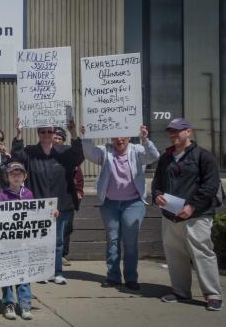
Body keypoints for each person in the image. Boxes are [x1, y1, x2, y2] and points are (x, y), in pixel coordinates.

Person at [152, 118, 223, 311]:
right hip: (170, 215)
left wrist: (192, 206)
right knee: (175, 255)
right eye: (171, 132)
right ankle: (181, 292)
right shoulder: (166, 157)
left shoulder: (204, 156)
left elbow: (210, 185)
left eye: (177, 131)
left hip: (197, 215)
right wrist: (157, 195)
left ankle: (212, 294)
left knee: (202, 253)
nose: (173, 134)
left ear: (189, 132)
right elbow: (157, 182)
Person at [82, 125, 159, 290]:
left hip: (133, 203)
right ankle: (113, 276)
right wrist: (86, 136)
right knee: (113, 240)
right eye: (116, 136)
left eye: (123, 136)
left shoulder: (138, 150)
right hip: (110, 204)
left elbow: (153, 156)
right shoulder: (105, 151)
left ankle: (131, 277)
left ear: (130, 137)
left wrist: (145, 139)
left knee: (130, 242)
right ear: (111, 138)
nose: (120, 139)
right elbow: (89, 153)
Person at [10, 120, 84, 285]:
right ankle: (40, 272)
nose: (46, 135)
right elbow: (15, 158)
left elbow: (79, 156)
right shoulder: (30, 152)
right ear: (38, 133)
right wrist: (19, 134)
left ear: (54, 134)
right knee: (38, 241)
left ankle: (57, 272)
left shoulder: (64, 152)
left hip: (61, 205)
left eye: (49, 132)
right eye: (42, 132)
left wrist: (73, 133)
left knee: (57, 241)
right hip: (37, 206)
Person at [0, 162, 34, 320]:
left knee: (24, 274)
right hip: (6, 244)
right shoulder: (1, 194)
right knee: (7, 274)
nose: (16, 176)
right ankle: (8, 303)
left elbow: (36, 215)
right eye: (12, 173)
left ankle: (25, 304)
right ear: (7, 177)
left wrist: (51, 213)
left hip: (24, 243)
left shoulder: (29, 194)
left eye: (19, 173)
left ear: (25, 176)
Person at [53, 126, 85, 266]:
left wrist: (79, 192)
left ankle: (62, 255)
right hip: (50, 199)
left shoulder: (69, 155)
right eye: (55, 137)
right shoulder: (44, 154)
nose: (57, 140)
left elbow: (78, 177)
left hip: (67, 198)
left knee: (67, 227)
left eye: (60, 138)